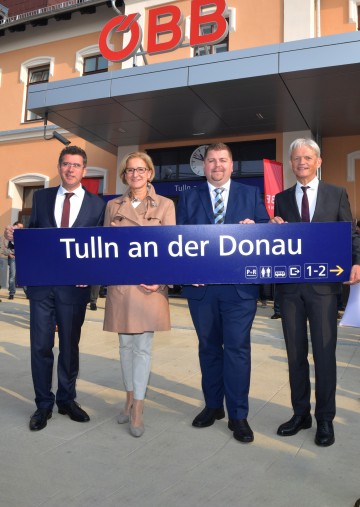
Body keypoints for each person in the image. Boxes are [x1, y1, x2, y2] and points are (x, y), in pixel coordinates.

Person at [4, 146, 106, 431]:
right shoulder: (41, 198)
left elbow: (100, 249)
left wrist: (93, 274)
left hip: (74, 290)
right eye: (65, 164)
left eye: (76, 165)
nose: (70, 169)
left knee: (70, 349)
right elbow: (32, 235)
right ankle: (43, 405)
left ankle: (66, 399)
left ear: (84, 171)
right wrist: (13, 235)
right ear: (59, 167)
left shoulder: (98, 206)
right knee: (40, 347)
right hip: (41, 289)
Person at [176, 142, 269, 443]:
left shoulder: (250, 195)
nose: (217, 165)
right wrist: (189, 274)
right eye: (212, 161)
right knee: (208, 349)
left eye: (223, 160)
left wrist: (255, 227)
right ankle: (213, 406)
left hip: (239, 290)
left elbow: (266, 234)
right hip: (201, 290)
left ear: (232, 165)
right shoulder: (187, 199)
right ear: (204, 167)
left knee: (238, 351)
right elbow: (176, 243)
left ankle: (238, 415)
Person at [271, 138, 360, 447]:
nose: (302, 163)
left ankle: (325, 419)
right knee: (295, 355)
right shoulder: (281, 200)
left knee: (323, 355)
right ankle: (300, 414)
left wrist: (357, 262)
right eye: (296, 158)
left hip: (324, 290)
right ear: (292, 163)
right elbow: (279, 245)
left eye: (307, 157)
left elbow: (349, 232)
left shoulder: (336, 194)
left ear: (318, 162)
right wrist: (274, 229)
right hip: (291, 290)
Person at [103, 151, 175, 438]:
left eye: (141, 169)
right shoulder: (112, 206)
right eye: (130, 170)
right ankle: (128, 398)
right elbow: (104, 248)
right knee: (124, 348)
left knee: (143, 348)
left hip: (149, 287)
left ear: (150, 173)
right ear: (124, 175)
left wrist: (160, 280)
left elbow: (172, 247)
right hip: (122, 286)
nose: (136, 175)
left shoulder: (166, 205)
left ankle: (139, 408)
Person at [1, 220, 24, 300]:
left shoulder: (23, 235)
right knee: (12, 275)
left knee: (24, 275)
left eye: (22, 228)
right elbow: (3, 247)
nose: (21, 229)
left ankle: (28, 293)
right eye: (19, 227)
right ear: (14, 226)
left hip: (22, 257)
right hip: (13, 257)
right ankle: (11, 293)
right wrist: (9, 254)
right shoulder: (7, 235)